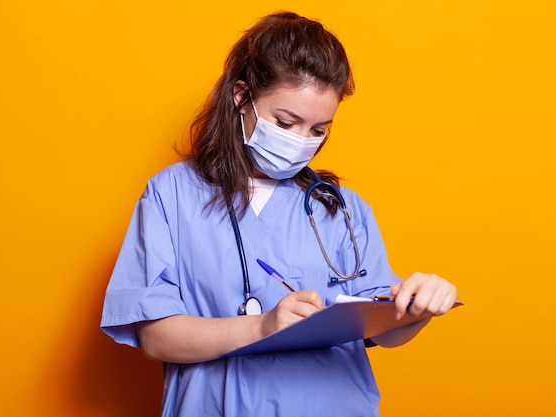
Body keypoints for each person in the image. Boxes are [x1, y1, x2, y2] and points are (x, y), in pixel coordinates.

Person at [100, 11, 457, 417]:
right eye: (286, 122)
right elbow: (156, 337)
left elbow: (379, 329)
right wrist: (262, 327)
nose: (302, 141)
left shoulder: (340, 208)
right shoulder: (172, 195)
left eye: (319, 130)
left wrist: (418, 310)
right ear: (241, 98)